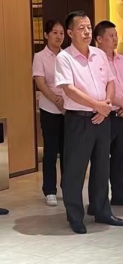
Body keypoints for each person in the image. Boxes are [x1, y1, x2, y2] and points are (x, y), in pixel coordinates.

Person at [55, 11, 123, 234]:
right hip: (79, 119)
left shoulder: (99, 54)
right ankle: (75, 216)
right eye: (81, 28)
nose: (86, 32)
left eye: (88, 27)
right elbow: (69, 89)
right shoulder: (64, 58)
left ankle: (102, 210)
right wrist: (97, 105)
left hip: (102, 118)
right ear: (70, 33)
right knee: (75, 170)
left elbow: (110, 82)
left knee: (102, 167)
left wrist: (106, 105)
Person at [94, 21, 123, 208]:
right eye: (111, 36)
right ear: (99, 39)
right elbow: (101, 90)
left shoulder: (121, 59)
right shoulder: (95, 61)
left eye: (116, 35)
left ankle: (120, 194)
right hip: (106, 116)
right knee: (101, 160)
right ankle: (99, 201)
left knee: (122, 156)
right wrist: (122, 103)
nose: (115, 39)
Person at [32, 19, 65, 207]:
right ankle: (50, 190)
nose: (59, 36)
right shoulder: (40, 57)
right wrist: (56, 100)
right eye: (54, 32)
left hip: (68, 109)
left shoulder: (67, 55)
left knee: (68, 151)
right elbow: (40, 83)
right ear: (46, 35)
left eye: (61, 33)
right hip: (49, 108)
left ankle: (67, 187)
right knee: (51, 151)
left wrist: (65, 102)